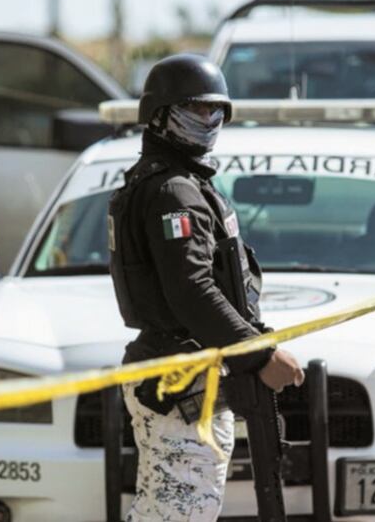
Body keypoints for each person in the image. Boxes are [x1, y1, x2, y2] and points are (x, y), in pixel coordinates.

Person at [107, 54, 303, 521]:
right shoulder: (174, 191)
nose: (207, 121)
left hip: (190, 372)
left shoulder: (177, 184)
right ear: (158, 115)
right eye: (193, 110)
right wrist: (258, 354)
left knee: (172, 509)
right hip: (179, 377)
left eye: (216, 112)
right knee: (179, 511)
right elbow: (191, 289)